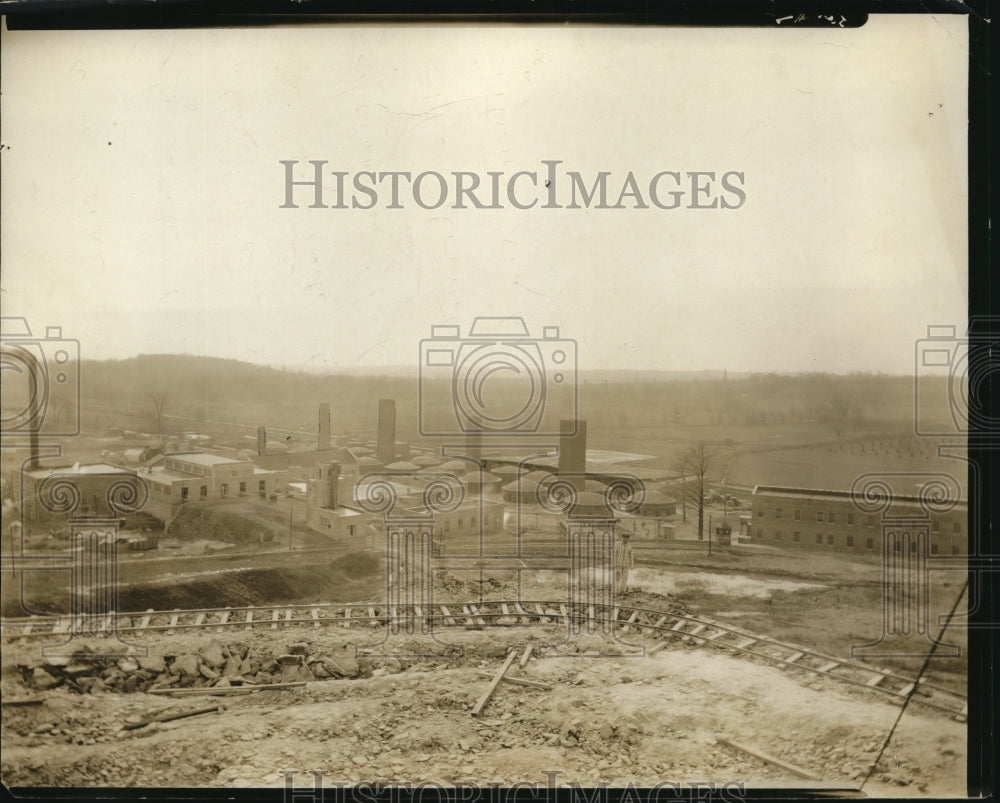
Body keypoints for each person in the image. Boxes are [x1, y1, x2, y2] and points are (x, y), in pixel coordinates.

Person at [613, 531, 634, 595]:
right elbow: (614, 554)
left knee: (625, 578)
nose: (626, 539)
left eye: (627, 537)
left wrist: (632, 565)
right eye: (625, 537)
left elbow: (631, 555)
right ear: (622, 537)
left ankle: (623, 590)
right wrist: (614, 563)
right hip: (618, 564)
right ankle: (616, 591)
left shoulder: (629, 545)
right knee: (617, 578)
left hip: (626, 564)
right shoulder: (617, 544)